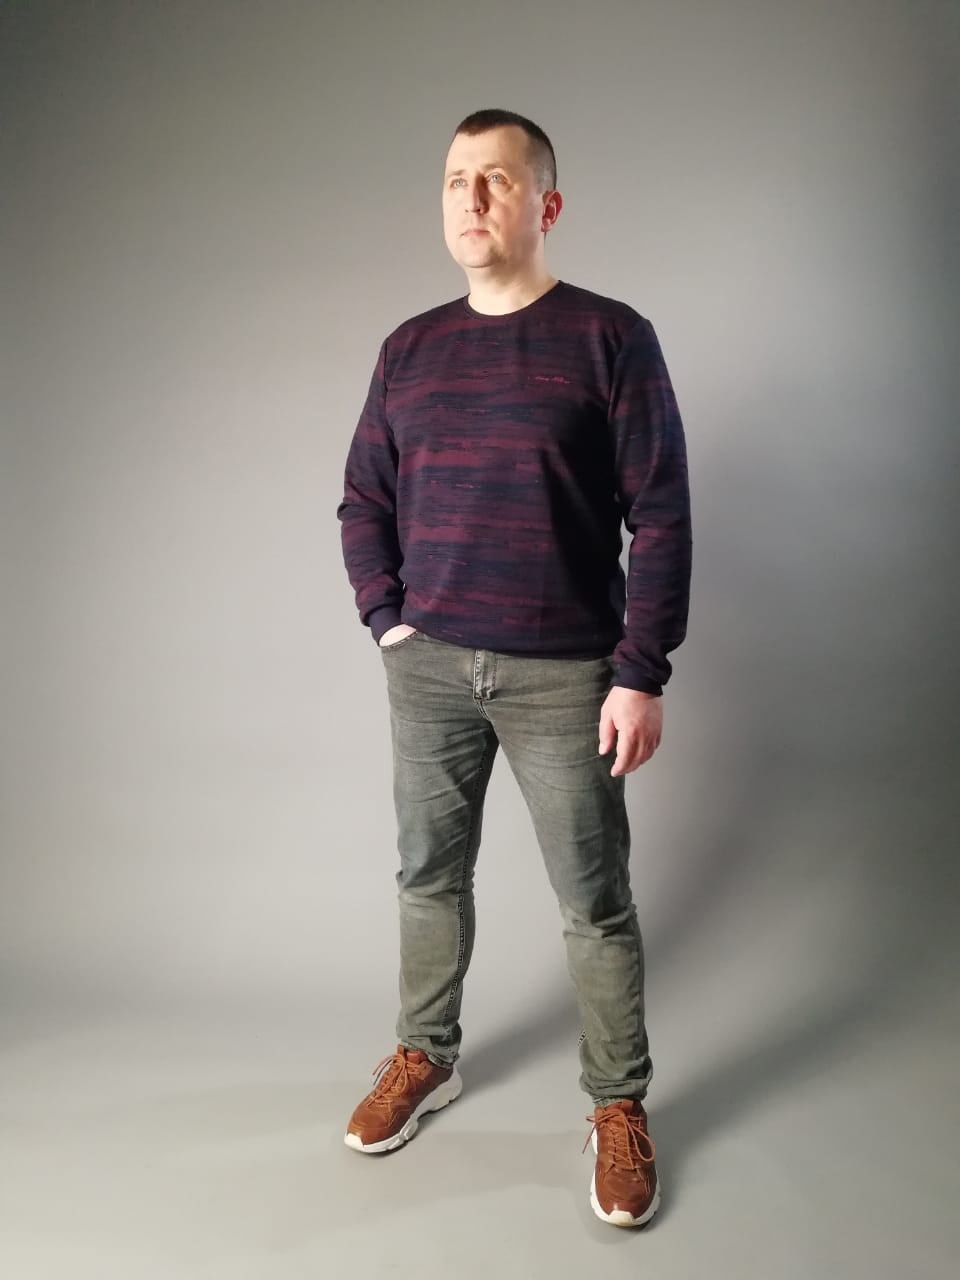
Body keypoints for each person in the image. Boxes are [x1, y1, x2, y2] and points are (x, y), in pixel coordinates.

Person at [336, 107, 691, 1228]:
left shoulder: (611, 337)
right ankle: (425, 1053)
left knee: (593, 901)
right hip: (429, 670)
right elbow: (363, 499)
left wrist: (641, 671)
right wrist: (387, 619)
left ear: (547, 203)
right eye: (456, 179)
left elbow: (662, 515)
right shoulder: (409, 347)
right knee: (427, 875)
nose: (473, 198)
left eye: (496, 178)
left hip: (568, 678)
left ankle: (618, 1102)